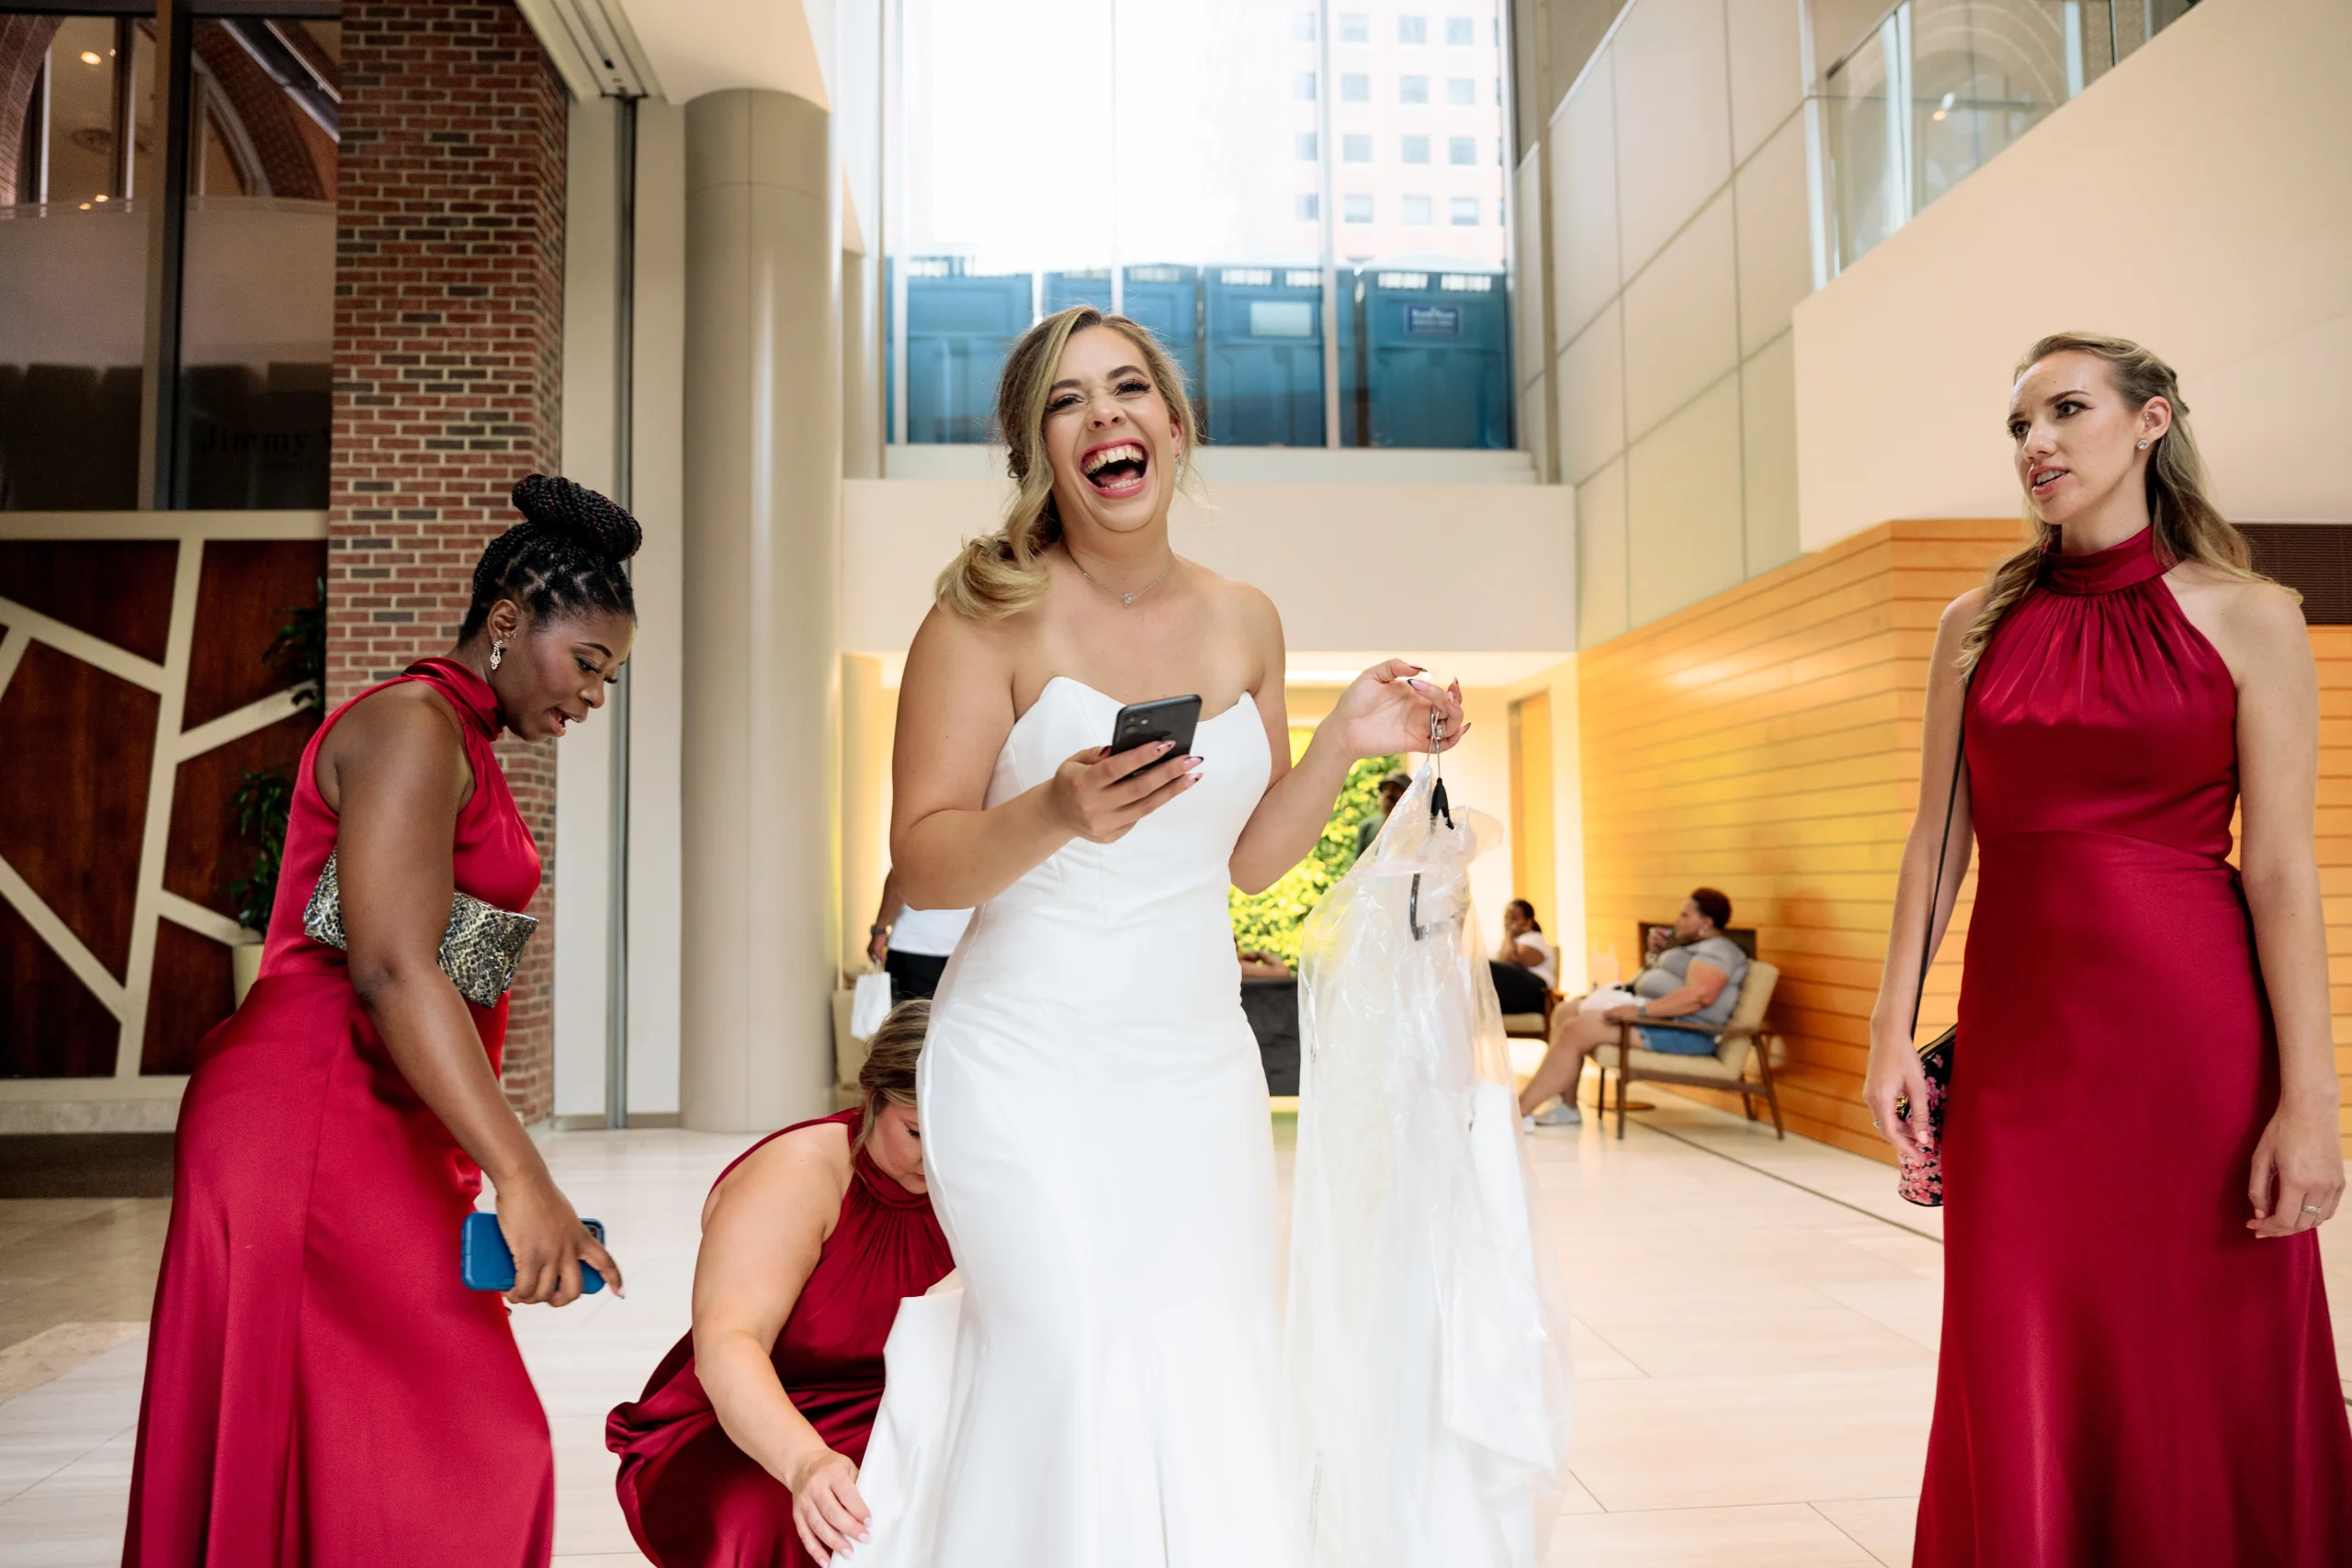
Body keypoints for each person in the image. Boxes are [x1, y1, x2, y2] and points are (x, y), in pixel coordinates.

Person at [869, 304, 1464, 1566]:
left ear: (1176, 427)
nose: (1106, 416)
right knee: (1073, 1349)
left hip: (1192, 1060)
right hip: (1025, 1052)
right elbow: (922, 855)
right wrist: (1053, 809)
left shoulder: (1247, 617)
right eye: (1068, 401)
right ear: (1042, 451)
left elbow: (1245, 861)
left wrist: (1345, 743)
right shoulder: (982, 618)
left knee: (1204, 1351)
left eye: (1129, 388)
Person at [1862, 333, 2352, 1565]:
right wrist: (1888, 1034)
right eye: (2020, 423)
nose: (2036, 442)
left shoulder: (2252, 614)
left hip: (2196, 1045)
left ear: (2150, 420)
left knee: (2202, 1345)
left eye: (2066, 410)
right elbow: (1937, 837)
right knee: (2020, 1339)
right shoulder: (1973, 622)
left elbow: (2284, 870)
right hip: (2026, 1056)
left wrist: (2312, 1100)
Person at [124, 475, 635, 1567]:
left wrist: (474, 1156)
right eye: (587, 664)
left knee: (399, 1441)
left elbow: (440, 972)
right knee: (469, 1444)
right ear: (507, 623)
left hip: (374, 1117)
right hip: (306, 1111)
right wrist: (523, 1175)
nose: (595, 697)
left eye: (611, 677)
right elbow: (393, 970)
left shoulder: (464, 743)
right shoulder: (410, 726)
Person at [608, 1001, 955, 1568]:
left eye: (959, 1134)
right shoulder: (797, 1174)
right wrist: (806, 1463)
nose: (939, 1157)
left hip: (910, 1413)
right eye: (917, 1132)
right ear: (871, 1100)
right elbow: (728, 1345)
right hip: (763, 1414)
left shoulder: (977, 1173)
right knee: (780, 1520)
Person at [1515, 888, 1745, 1128]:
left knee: (1576, 1029)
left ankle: (1519, 1112)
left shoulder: (1718, 950)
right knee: (1566, 1011)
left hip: (1685, 1031)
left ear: (1706, 922)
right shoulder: (1694, 947)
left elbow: (1700, 996)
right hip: (1659, 1019)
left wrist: (1640, 1012)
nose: (1678, 921)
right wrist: (1656, 955)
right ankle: (1567, 1107)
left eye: (1685, 916)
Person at [867, 868, 971, 1003]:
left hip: (917, 944)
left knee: (913, 1020)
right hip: (961, 946)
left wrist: (879, 931)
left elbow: (899, 877)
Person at [1487, 897, 1555, 1015]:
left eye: (1514, 918)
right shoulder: (1504, 943)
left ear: (1528, 922)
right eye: (1506, 918)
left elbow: (1511, 960)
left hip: (1536, 992)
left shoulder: (1535, 938)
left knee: (1488, 966)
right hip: (1513, 995)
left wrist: (1509, 935)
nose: (1508, 922)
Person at [1352, 767, 1411, 858]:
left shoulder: (1416, 827)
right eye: (1385, 790)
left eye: (1393, 795)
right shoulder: (1368, 826)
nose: (1387, 796)